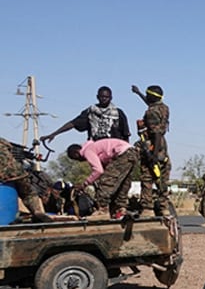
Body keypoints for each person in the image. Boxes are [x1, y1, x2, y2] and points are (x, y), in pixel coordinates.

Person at [67, 139, 138, 220]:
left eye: (76, 159)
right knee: (123, 183)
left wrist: (84, 184)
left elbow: (98, 170)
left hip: (122, 154)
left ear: (76, 154)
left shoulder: (88, 151)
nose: (80, 161)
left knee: (106, 182)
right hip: (132, 152)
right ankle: (120, 209)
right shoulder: (94, 147)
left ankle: (103, 210)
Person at [40, 86, 131, 145]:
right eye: (101, 96)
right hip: (97, 148)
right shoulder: (91, 112)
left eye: (106, 97)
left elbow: (125, 134)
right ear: (97, 97)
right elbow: (73, 123)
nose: (103, 99)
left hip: (114, 147)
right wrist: (54, 134)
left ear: (111, 98)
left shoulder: (118, 113)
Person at [131, 84, 171, 215]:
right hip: (162, 147)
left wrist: (153, 155)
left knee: (147, 178)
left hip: (153, 145)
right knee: (163, 178)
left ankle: (147, 208)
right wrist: (138, 94)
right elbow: (150, 103)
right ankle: (164, 206)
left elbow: (157, 133)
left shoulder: (151, 112)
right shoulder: (163, 108)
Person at [0, 137, 52, 222]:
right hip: (15, 171)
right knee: (28, 193)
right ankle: (37, 211)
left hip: (8, 173)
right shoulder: (3, 141)